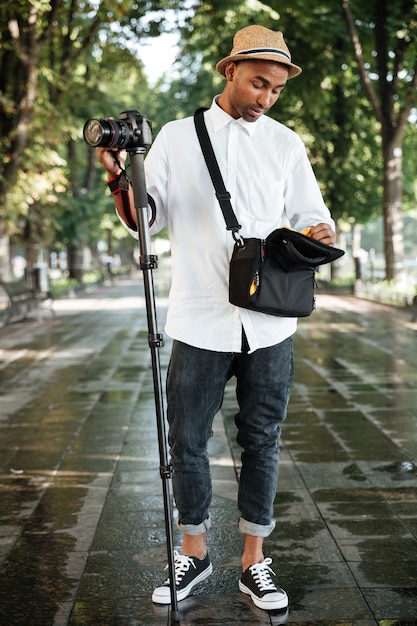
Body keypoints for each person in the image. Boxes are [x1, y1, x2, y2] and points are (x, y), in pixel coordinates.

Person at [97, 24, 336, 612]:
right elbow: (145, 218)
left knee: (262, 439)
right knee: (187, 438)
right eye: (259, 84)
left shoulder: (285, 143)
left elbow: (311, 214)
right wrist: (119, 178)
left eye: (276, 90)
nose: (266, 99)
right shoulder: (179, 139)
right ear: (229, 71)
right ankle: (196, 552)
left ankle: (256, 562)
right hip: (200, 314)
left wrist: (319, 231)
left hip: (272, 320)